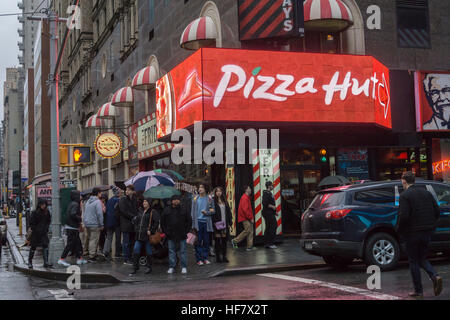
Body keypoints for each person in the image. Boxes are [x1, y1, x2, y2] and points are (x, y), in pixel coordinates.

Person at [397, 171, 443, 298]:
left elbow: (404, 216)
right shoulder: (426, 193)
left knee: (413, 261)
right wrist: (431, 224)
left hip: (411, 233)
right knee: (422, 258)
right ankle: (435, 276)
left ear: (404, 181)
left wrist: (399, 229)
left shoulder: (404, 196)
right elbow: (437, 210)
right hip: (427, 231)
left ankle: (418, 291)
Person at [161, 195, 192, 274]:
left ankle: (184, 267)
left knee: (183, 251)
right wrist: (166, 232)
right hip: (170, 234)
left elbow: (189, 221)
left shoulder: (184, 210)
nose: (176, 201)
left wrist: (186, 231)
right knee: (171, 251)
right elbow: (162, 222)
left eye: (177, 199)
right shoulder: (167, 210)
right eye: (174, 200)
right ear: (171, 201)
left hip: (182, 234)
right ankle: (172, 267)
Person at [130, 198, 159, 275]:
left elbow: (156, 222)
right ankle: (135, 267)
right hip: (139, 235)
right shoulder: (140, 211)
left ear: (149, 203)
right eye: (143, 201)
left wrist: (151, 231)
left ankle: (149, 267)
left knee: (149, 251)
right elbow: (136, 221)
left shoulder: (153, 212)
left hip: (147, 236)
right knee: (136, 249)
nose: (144, 203)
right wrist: (136, 228)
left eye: (146, 201)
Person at [58, 190, 87, 267]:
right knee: (70, 244)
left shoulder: (72, 203)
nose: (81, 197)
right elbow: (73, 214)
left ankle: (80, 258)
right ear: (76, 196)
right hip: (72, 227)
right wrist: (79, 219)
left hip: (71, 227)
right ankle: (62, 259)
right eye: (79, 195)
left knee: (76, 243)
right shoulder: (75, 204)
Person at [191, 184, 215, 265]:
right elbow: (192, 212)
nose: (200, 189)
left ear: (205, 189)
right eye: (199, 187)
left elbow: (213, 210)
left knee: (206, 241)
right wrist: (193, 224)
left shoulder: (209, 199)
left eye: (202, 187)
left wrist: (207, 212)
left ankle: (205, 258)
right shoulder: (195, 199)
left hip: (206, 223)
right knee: (198, 241)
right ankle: (199, 259)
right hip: (198, 223)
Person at [28, 199, 52, 269]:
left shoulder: (47, 212)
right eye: (42, 204)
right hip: (36, 233)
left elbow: (48, 221)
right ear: (39, 205)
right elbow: (31, 222)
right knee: (33, 247)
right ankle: (30, 262)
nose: (43, 206)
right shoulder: (35, 213)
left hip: (43, 232)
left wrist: (46, 228)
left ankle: (46, 262)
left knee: (45, 246)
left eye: (44, 204)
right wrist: (35, 229)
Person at [118, 185, 138, 265]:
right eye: (126, 190)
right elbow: (123, 211)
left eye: (129, 190)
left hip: (133, 224)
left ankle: (131, 257)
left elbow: (136, 209)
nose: (127, 191)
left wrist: (136, 217)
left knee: (132, 241)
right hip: (126, 223)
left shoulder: (134, 199)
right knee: (126, 242)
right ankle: (126, 259)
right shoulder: (123, 199)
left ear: (133, 191)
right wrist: (133, 216)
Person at [83, 188, 104, 262]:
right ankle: (92, 255)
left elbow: (85, 212)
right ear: (98, 193)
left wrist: (85, 222)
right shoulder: (98, 201)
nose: (101, 194)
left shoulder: (88, 201)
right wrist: (101, 224)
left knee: (89, 238)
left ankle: (88, 252)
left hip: (87, 223)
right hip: (94, 224)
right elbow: (99, 214)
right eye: (100, 193)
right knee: (93, 240)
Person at [212, 187, 232, 263]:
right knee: (217, 241)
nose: (218, 192)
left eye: (220, 191)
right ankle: (218, 257)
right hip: (217, 223)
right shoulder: (213, 201)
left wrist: (230, 221)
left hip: (224, 223)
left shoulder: (225, 201)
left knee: (224, 241)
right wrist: (213, 222)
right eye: (217, 191)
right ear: (215, 193)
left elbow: (228, 211)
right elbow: (212, 212)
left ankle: (224, 256)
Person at [232, 186, 255, 251]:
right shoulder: (245, 198)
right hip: (245, 217)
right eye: (249, 188)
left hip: (246, 217)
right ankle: (235, 240)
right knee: (248, 230)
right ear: (246, 190)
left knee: (250, 231)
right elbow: (245, 210)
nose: (250, 190)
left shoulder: (246, 197)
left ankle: (249, 246)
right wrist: (250, 218)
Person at [102, 188, 123, 259]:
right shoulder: (119, 200)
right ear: (117, 193)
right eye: (120, 192)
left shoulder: (109, 200)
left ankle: (105, 251)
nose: (121, 193)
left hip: (109, 222)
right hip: (116, 222)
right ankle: (118, 252)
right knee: (118, 237)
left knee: (109, 237)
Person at [262, 181, 278, 249]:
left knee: (268, 227)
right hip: (268, 213)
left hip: (269, 213)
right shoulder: (266, 193)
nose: (273, 186)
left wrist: (274, 212)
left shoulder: (269, 193)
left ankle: (267, 243)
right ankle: (270, 243)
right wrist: (272, 207)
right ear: (269, 186)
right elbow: (265, 203)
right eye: (272, 185)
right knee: (273, 226)